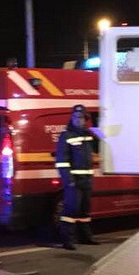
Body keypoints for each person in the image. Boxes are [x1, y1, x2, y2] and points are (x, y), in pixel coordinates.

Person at [55, 104, 100, 251]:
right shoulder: (66, 135)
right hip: (73, 180)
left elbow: (100, 148)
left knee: (84, 210)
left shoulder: (88, 134)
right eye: (75, 116)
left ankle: (85, 237)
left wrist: (99, 133)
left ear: (85, 119)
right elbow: (61, 161)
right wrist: (68, 180)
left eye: (80, 117)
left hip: (87, 179)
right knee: (70, 210)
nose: (77, 119)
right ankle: (67, 240)